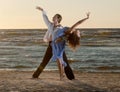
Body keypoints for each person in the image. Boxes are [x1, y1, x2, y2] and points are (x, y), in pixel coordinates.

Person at [32, 6, 75, 80]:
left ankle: (71, 77)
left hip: (59, 47)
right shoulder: (50, 25)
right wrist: (43, 10)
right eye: (53, 17)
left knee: (65, 61)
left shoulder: (61, 28)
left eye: (54, 17)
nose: (53, 18)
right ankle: (35, 75)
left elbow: (66, 37)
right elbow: (45, 19)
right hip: (51, 45)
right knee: (44, 61)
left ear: (58, 19)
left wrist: (61, 38)